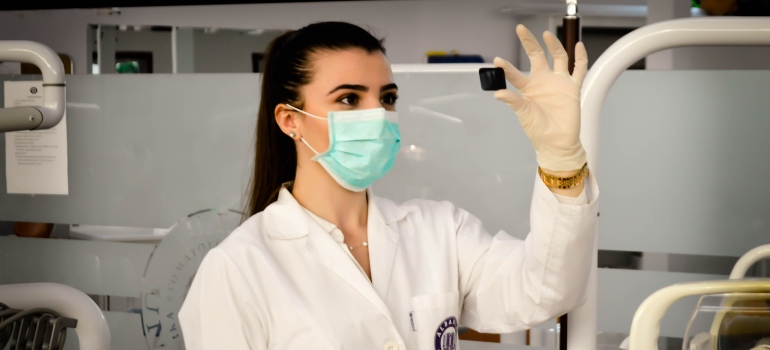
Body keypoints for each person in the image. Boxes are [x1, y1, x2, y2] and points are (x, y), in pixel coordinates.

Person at [179, 21, 598, 350]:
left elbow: (546, 290)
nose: (378, 115)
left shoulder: (439, 231)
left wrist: (561, 161)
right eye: (348, 99)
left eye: (388, 97)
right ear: (290, 119)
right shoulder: (238, 268)